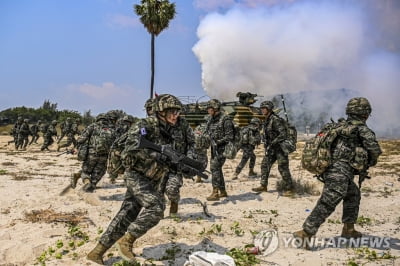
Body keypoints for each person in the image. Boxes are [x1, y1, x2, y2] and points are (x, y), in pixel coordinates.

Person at [87, 94, 198, 264]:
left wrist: (183, 163)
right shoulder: (144, 125)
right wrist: (155, 154)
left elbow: (190, 144)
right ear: (161, 111)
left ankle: (96, 252)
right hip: (136, 174)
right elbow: (130, 148)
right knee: (156, 207)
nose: (176, 115)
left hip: (156, 177)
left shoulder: (176, 127)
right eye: (172, 112)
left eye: (177, 112)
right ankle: (126, 240)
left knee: (127, 213)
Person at [293, 97, 382, 248]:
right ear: (365, 113)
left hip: (332, 169)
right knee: (329, 201)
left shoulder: (339, 126)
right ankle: (305, 233)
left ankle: (349, 229)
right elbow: (375, 150)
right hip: (340, 171)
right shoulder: (362, 129)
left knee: (353, 195)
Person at [252, 100, 294, 195]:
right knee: (265, 165)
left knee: (283, 168)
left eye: (264, 108)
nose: (262, 110)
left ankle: (289, 189)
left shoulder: (275, 119)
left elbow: (283, 134)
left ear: (269, 109)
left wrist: (273, 142)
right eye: (261, 108)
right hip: (271, 148)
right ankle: (263, 185)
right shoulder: (267, 120)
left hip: (280, 148)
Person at [74, 112, 117, 192]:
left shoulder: (93, 126)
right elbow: (115, 143)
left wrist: (77, 147)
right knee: (98, 174)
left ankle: (87, 182)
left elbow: (81, 139)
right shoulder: (112, 129)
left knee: (85, 172)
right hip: (104, 156)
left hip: (91, 154)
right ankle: (90, 188)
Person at [205, 99, 235, 201]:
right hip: (214, 149)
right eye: (208, 109)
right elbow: (207, 131)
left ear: (215, 108)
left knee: (214, 168)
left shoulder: (225, 119)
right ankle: (223, 191)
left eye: (210, 108)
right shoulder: (211, 119)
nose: (208, 111)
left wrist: (218, 142)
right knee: (217, 169)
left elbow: (230, 136)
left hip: (223, 148)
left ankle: (215, 192)